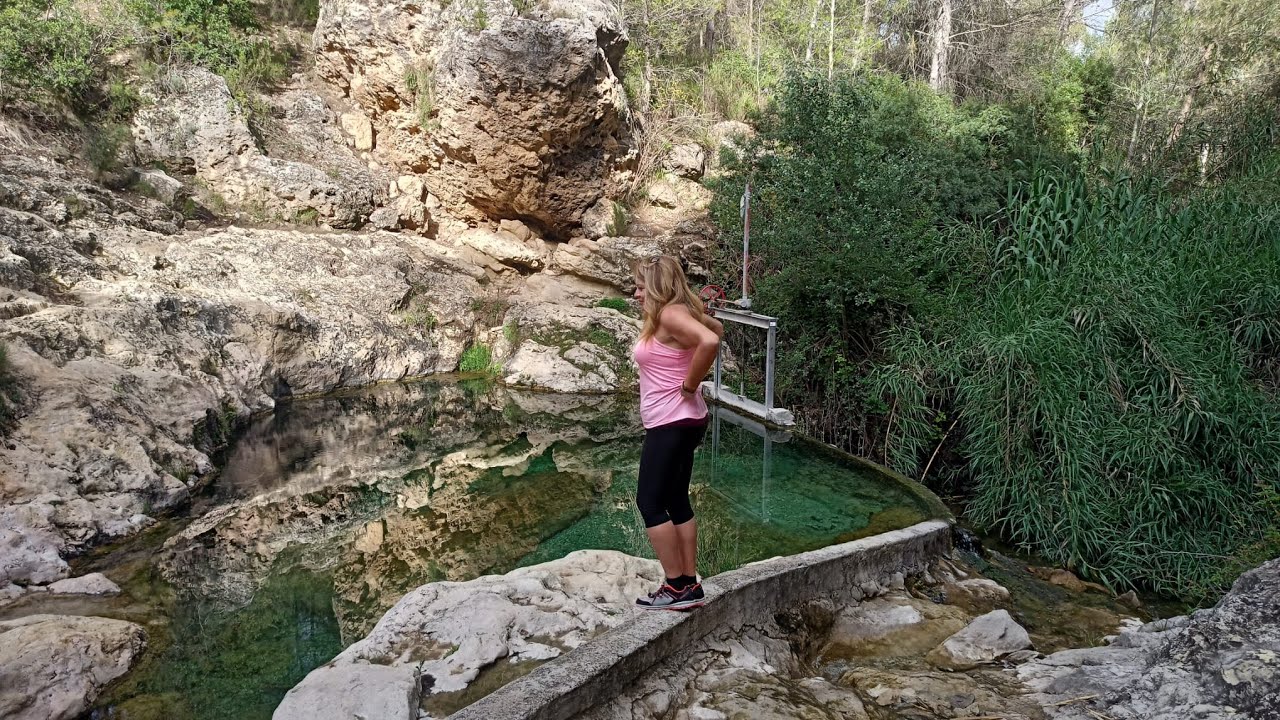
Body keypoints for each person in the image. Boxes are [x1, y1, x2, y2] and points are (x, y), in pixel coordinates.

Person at [630, 255, 723, 610]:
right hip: (685, 420)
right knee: (675, 500)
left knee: (650, 502)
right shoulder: (676, 312)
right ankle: (688, 584)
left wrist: (689, 383)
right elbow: (716, 330)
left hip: (672, 420)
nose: (636, 293)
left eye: (640, 286)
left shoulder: (670, 313)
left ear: (656, 286)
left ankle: (676, 586)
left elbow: (710, 343)